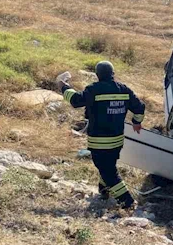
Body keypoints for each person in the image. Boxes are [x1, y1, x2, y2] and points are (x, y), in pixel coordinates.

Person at [59, 61, 145, 208]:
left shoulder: (94, 89)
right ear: (113, 74)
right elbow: (140, 107)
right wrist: (137, 122)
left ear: (97, 75)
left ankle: (127, 201)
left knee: (108, 172)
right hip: (117, 140)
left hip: (99, 141)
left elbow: (76, 101)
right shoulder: (123, 89)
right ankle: (104, 191)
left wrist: (64, 87)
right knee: (108, 166)